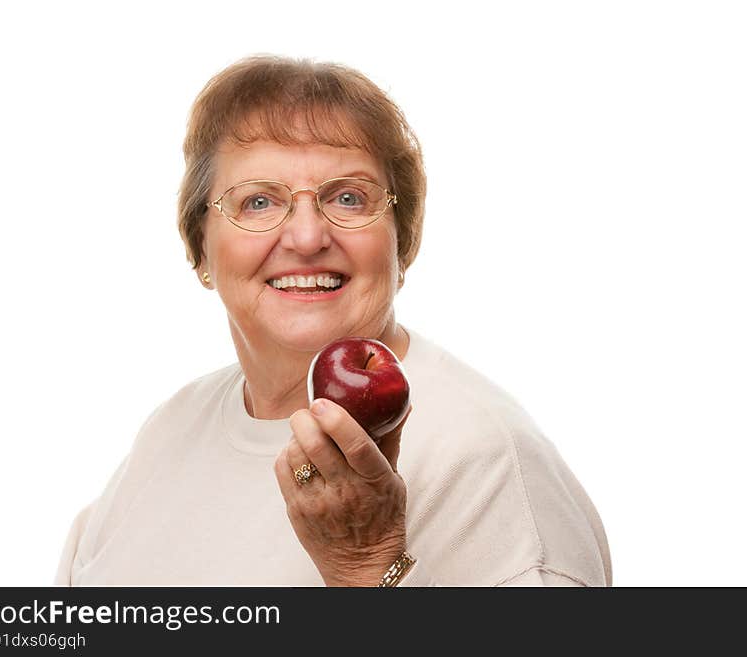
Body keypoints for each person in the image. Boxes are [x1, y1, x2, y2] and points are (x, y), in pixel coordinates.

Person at [54, 55, 612, 587]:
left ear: (403, 243)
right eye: (258, 202)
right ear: (201, 250)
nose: (306, 237)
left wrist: (367, 568)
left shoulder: (488, 461)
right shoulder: (169, 432)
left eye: (347, 198)